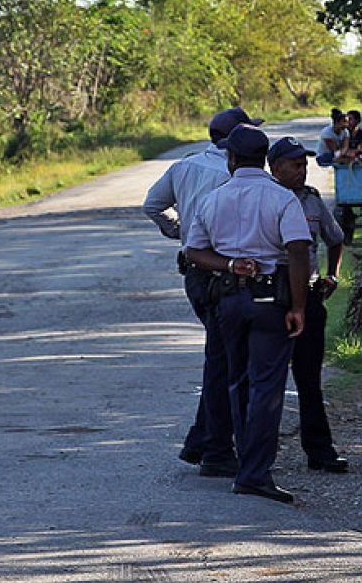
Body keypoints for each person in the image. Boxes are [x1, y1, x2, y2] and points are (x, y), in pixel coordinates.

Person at [184, 124, 313, 504]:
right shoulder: (282, 198)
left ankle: (243, 464)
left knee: (236, 382)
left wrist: (229, 264)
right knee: (267, 387)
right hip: (269, 301)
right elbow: (298, 251)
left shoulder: (214, 198)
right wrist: (299, 307)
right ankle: (255, 472)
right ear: (265, 159)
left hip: (228, 301)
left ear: (232, 159)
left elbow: (194, 252)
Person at [142, 106, 262, 474]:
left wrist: (180, 231)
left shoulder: (184, 166)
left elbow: (153, 205)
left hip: (195, 271)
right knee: (226, 361)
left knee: (222, 356)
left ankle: (204, 440)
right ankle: (214, 448)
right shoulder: (235, 174)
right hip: (225, 271)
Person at [267, 136, 349, 472]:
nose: (302, 171)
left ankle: (320, 451)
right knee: (266, 379)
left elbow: (336, 238)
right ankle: (258, 453)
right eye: (295, 164)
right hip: (273, 295)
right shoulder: (265, 199)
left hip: (311, 295)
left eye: (304, 164)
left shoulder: (313, 201)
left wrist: (333, 276)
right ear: (275, 168)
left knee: (309, 379)